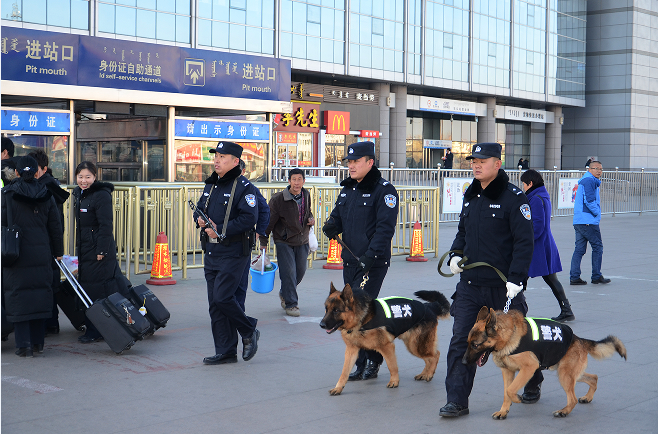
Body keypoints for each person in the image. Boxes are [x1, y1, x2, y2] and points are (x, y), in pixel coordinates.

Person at [440, 143, 541, 417]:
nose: (476, 164)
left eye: (482, 160)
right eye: (474, 160)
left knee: (519, 342)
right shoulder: (470, 195)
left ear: (498, 164)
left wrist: (517, 278)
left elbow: (524, 242)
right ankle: (457, 400)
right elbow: (462, 231)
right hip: (470, 286)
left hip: (503, 289)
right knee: (462, 340)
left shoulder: (514, 198)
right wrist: (456, 254)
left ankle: (533, 379)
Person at [322, 141, 399, 381]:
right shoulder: (348, 189)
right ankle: (364, 362)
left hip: (372, 263)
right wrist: (331, 224)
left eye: (356, 161)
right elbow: (338, 215)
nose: (351, 166)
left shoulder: (384, 190)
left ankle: (372, 362)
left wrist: (371, 255)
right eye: (349, 162)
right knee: (354, 313)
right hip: (351, 259)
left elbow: (385, 229)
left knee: (363, 312)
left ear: (370, 162)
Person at [194, 142, 260, 365]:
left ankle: (249, 329)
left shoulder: (244, 187)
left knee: (223, 297)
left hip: (234, 251)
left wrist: (220, 229)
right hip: (212, 251)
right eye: (216, 156)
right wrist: (200, 219)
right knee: (215, 303)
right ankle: (226, 350)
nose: (217, 160)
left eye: (223, 157)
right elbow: (199, 208)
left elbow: (249, 218)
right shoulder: (211, 185)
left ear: (235, 161)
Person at [2, 156, 63, 357]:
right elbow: (55, 227)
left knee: (19, 297)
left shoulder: (7, 194)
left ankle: (23, 346)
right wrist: (58, 252)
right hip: (41, 252)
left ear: (17, 172)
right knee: (38, 296)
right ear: (37, 172)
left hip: (15, 253)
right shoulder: (47, 194)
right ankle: (38, 344)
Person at [73, 161, 129, 343]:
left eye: (88, 177)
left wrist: (102, 250)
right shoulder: (80, 194)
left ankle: (96, 330)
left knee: (96, 289)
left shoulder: (101, 195)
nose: (84, 180)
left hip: (98, 250)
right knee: (88, 287)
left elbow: (106, 225)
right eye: (80, 176)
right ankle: (94, 325)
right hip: (86, 249)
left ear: (95, 177)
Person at [521, 170, 575, 322]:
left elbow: (538, 225)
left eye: (524, 184)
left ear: (530, 183)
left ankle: (517, 311)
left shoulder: (536, 199)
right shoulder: (540, 195)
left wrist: (526, 240)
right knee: (550, 279)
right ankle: (566, 309)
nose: (523, 187)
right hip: (543, 244)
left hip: (537, 246)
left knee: (520, 276)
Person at [260, 168, 314, 317]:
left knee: (300, 271)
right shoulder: (278, 199)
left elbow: (307, 212)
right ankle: (292, 304)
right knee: (289, 271)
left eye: (299, 179)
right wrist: (263, 242)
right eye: (294, 179)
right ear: (289, 181)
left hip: (302, 239)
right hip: (283, 240)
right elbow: (268, 222)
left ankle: (284, 292)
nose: (297, 183)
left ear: (304, 181)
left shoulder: (306, 194)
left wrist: (311, 219)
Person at [28, 150, 71, 334]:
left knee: (48, 283)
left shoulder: (45, 188)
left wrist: (57, 249)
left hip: (46, 242)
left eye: (34, 169)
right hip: (48, 241)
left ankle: (49, 323)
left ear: (44, 169)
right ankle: (51, 322)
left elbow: (54, 223)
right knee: (49, 282)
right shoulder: (49, 184)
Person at [236, 158, 269, 312]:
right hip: (217, 246)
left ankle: (239, 315)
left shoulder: (249, 189)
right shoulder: (217, 186)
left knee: (240, 282)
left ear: (243, 172)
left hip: (242, 243)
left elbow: (264, 210)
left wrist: (259, 232)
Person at [569, 161, 610, 285]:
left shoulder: (587, 180)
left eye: (601, 169)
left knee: (579, 249)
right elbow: (589, 200)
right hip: (588, 221)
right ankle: (596, 276)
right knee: (598, 247)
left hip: (580, 221)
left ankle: (574, 277)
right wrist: (597, 212)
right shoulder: (589, 180)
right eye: (596, 168)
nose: (599, 171)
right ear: (589, 169)